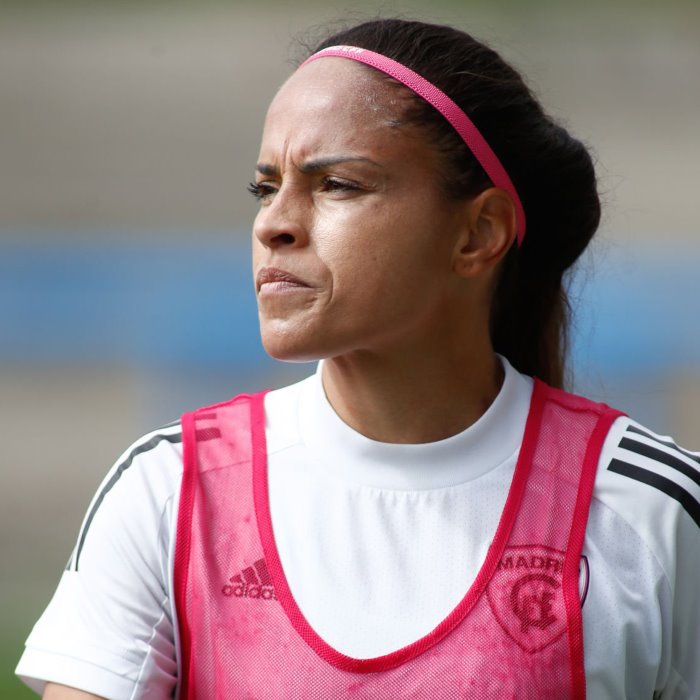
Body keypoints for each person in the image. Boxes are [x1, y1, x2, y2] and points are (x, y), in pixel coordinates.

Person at [16, 17, 699, 700]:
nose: (273, 224)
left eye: (337, 184)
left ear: (478, 233)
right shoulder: (170, 493)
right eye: (265, 188)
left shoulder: (650, 512)